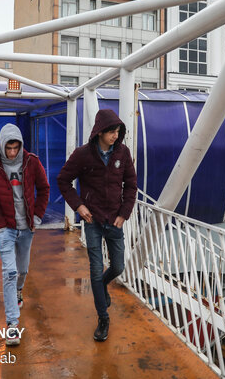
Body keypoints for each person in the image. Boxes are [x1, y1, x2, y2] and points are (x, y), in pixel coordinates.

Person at [57, 109, 137, 342]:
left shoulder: (123, 152)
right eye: (112, 131)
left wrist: (124, 214)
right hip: (92, 220)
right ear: (100, 132)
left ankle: (101, 289)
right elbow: (63, 180)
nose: (115, 136)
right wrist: (79, 207)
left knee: (118, 266)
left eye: (118, 132)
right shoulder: (83, 154)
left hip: (115, 220)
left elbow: (131, 186)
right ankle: (103, 318)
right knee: (95, 268)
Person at [0, 123, 50, 346]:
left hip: (27, 228)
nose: (12, 152)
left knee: (22, 271)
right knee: (9, 272)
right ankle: (12, 325)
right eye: (8, 148)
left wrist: (37, 217)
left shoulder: (32, 161)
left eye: (15, 148)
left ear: (21, 145)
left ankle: (19, 291)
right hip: (6, 229)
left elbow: (44, 188)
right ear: (1, 146)